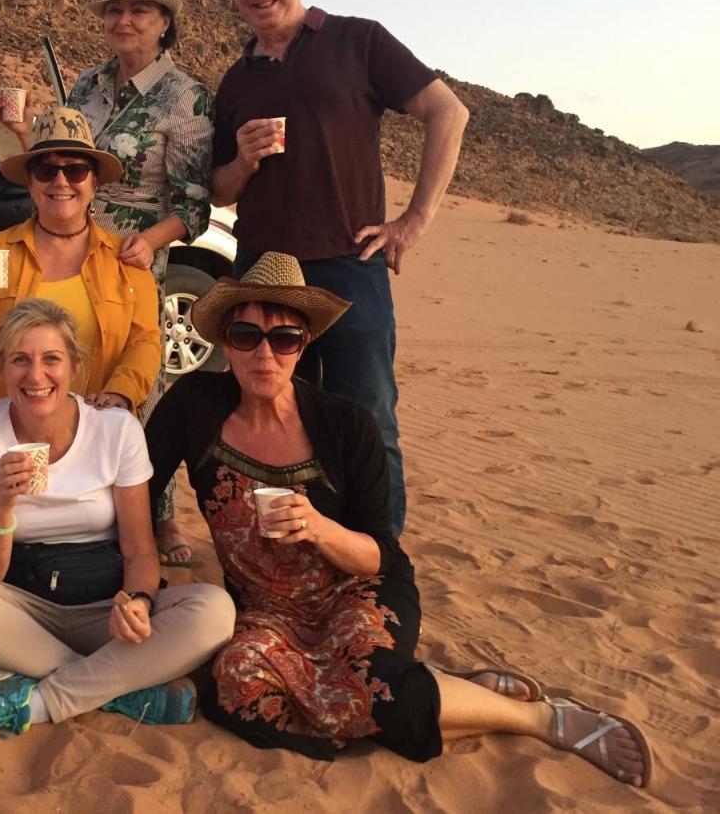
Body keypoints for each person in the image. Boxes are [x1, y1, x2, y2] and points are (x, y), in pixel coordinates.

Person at [144, 253, 652, 786]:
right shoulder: (195, 405)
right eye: (247, 335)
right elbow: (143, 484)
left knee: (371, 690)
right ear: (225, 341)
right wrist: (140, 576)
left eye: (284, 338)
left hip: (354, 589)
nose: (264, 354)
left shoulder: (346, 426)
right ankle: (448, 690)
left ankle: (540, 718)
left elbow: (379, 551)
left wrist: (319, 527)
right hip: (265, 612)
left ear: (306, 343)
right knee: (236, 695)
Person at [211, 0, 471, 537]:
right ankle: (294, 558)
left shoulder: (358, 42)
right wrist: (243, 160)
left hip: (349, 268)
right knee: (276, 422)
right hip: (265, 278)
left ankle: (380, 561)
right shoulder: (235, 82)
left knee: (368, 418)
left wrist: (413, 221)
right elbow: (219, 189)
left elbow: (448, 113)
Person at [0, 299, 235, 733]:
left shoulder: (115, 430)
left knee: (214, 610)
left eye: (51, 359)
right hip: (21, 613)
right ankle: (122, 689)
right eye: (19, 361)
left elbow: (141, 550)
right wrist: (3, 505)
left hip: (105, 610)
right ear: (1, 369)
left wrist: (139, 603)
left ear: (74, 366)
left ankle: (41, 702)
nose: (36, 376)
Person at [0, 0, 214, 565]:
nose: (124, 20)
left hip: (133, 260)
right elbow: (58, 160)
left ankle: (157, 516)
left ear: (164, 21)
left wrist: (153, 240)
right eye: (115, 9)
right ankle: (64, 509)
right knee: (58, 377)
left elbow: (195, 204)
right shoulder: (85, 86)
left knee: (136, 390)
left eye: (139, 9)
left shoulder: (187, 98)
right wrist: (19, 130)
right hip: (61, 247)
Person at [0, 105, 160, 419]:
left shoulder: (125, 260)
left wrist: (120, 393)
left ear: (94, 183)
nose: (61, 181)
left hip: (88, 434)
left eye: (75, 171)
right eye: (46, 171)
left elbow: (145, 343)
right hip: (4, 433)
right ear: (30, 183)